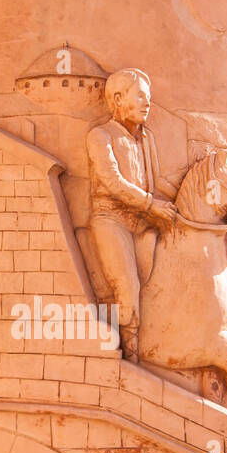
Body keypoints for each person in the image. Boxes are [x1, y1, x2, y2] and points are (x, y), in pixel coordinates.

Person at [86, 69, 178, 362]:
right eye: (139, 96)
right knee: (127, 286)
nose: (146, 103)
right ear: (117, 99)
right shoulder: (100, 136)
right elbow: (112, 182)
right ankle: (130, 359)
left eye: (147, 98)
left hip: (142, 223)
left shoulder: (146, 139)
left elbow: (155, 180)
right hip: (110, 219)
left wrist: (183, 201)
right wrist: (151, 205)